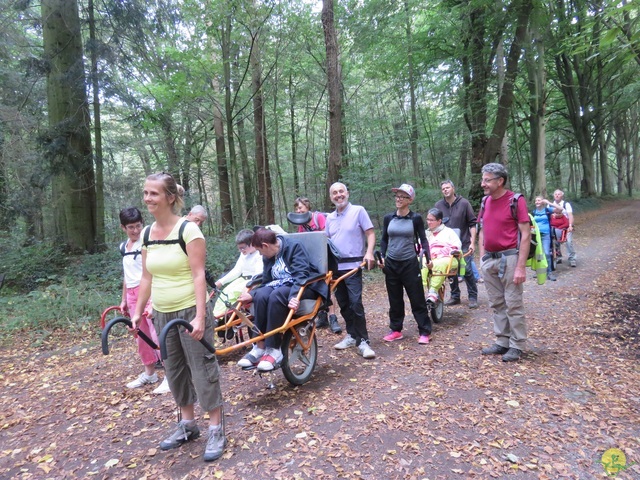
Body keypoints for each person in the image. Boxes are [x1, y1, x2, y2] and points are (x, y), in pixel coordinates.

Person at [131, 172, 226, 462]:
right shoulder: (147, 234)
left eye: (154, 194)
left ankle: (216, 427)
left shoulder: (189, 231)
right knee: (174, 370)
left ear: (170, 198)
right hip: (162, 313)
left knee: (202, 368)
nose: (148, 198)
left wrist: (199, 317)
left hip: (189, 310)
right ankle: (187, 425)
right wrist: (138, 312)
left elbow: (199, 275)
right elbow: (147, 277)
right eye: (146, 193)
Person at [236, 228, 329, 371]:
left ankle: (274, 349)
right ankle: (259, 346)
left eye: (260, 251)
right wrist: (252, 294)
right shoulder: (268, 255)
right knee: (260, 295)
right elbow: (266, 281)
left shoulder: (294, 247)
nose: (260, 254)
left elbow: (301, 275)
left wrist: (294, 297)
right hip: (278, 285)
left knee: (276, 295)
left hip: (301, 285)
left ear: (266, 246)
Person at [477, 163, 530, 363]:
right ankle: (502, 341)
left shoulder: (516, 200)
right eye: (483, 179)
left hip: (509, 258)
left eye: (487, 180)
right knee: (497, 303)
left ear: (500, 181)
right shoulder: (485, 202)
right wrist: (482, 258)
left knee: (513, 304)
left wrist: (520, 266)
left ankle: (517, 345)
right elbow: (482, 229)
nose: (483, 184)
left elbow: (525, 234)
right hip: (489, 259)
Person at [118, 207, 169, 395]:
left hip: (149, 291)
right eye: (131, 227)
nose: (135, 231)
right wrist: (124, 298)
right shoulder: (124, 247)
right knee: (140, 334)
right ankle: (150, 372)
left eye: (138, 226)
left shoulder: (147, 242)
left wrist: (155, 297)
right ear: (123, 227)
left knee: (157, 333)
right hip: (132, 294)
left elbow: (154, 271)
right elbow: (127, 274)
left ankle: (170, 374)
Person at [325, 182, 376, 359]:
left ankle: (364, 341)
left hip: (354, 266)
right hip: (336, 268)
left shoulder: (358, 211)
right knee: (344, 303)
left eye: (341, 191)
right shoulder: (330, 218)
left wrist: (369, 253)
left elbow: (370, 233)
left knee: (355, 303)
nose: (338, 195)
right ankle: (352, 334)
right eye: (334, 193)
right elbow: (327, 242)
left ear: (347, 193)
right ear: (331, 197)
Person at [378, 184, 432, 345]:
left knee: (417, 299)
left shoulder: (415, 218)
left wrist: (428, 258)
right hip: (391, 264)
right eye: (397, 196)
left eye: (403, 196)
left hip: (409, 263)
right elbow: (384, 240)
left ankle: (424, 331)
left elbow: (423, 239)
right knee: (394, 299)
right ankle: (396, 330)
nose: (399, 199)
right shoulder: (389, 218)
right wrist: (381, 256)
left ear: (410, 200)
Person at [293, 197, 341, 334]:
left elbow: (326, 235)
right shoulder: (300, 224)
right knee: (316, 286)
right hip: (311, 259)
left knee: (328, 286)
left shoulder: (318, 217)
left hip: (325, 256)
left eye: (300, 207)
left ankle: (333, 317)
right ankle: (322, 316)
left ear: (307, 207)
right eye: (296, 208)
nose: (298, 210)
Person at [434, 180, 479, 308]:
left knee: (468, 270)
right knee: (450, 270)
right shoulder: (438, 205)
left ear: (453, 188)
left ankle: (472, 296)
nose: (445, 190)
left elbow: (472, 224)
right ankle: (455, 296)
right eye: (443, 189)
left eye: (447, 188)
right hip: (446, 245)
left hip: (463, 242)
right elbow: (435, 224)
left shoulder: (464, 203)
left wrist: (472, 242)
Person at [211, 229, 263, 317]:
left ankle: (221, 318)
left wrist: (248, 287)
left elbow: (258, 274)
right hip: (243, 279)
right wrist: (220, 282)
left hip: (253, 281)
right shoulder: (244, 254)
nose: (241, 250)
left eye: (243, 248)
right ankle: (216, 317)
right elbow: (237, 270)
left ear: (252, 243)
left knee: (232, 294)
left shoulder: (259, 254)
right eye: (239, 248)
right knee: (225, 292)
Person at [423, 208, 463, 304]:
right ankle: (420, 288)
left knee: (440, 263)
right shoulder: (426, 233)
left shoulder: (449, 232)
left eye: (431, 220)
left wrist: (443, 251)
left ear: (439, 221)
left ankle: (433, 291)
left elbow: (457, 245)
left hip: (447, 258)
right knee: (418, 261)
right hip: (430, 257)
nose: (428, 222)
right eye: (427, 219)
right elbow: (420, 247)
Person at [532, 196, 563, 281]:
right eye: (536, 201)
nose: (537, 202)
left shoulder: (547, 210)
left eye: (539, 200)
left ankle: (549, 273)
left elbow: (560, 209)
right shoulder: (534, 212)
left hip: (546, 235)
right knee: (538, 254)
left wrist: (549, 203)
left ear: (542, 202)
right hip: (536, 235)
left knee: (546, 253)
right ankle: (540, 271)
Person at [553, 189, 577, 267]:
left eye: (559, 194)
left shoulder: (566, 204)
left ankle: (572, 258)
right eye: (555, 194)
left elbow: (570, 215)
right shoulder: (550, 204)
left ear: (562, 196)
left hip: (566, 227)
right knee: (555, 242)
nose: (557, 195)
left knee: (569, 242)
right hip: (555, 227)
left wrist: (570, 225)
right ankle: (558, 257)